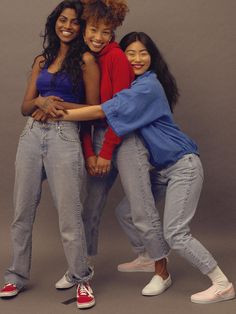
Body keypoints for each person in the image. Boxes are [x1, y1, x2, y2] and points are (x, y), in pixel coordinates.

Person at [54, 31, 235, 304]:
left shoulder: (147, 87)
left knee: (175, 233)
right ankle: (146, 256)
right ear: (122, 56)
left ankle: (222, 284)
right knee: (125, 212)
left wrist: (55, 111)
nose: (137, 59)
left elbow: (100, 111)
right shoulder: (136, 84)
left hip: (182, 166)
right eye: (131, 53)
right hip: (161, 170)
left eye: (144, 53)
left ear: (152, 57)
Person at [55, 0, 171, 291]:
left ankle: (162, 271)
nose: (99, 37)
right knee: (89, 208)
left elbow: (121, 113)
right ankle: (80, 268)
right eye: (93, 29)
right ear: (84, 29)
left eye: (106, 32)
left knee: (141, 206)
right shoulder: (82, 59)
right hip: (97, 138)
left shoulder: (118, 57)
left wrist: (105, 152)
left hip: (125, 136)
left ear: (114, 32)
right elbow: (86, 111)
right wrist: (90, 152)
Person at [0, 0, 100, 309]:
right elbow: (24, 107)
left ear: (81, 27)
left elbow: (95, 112)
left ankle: (82, 278)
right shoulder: (41, 60)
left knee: (69, 216)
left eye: (74, 22)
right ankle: (15, 275)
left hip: (64, 137)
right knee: (22, 212)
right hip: (32, 135)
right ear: (54, 22)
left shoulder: (85, 60)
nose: (67, 26)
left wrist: (58, 106)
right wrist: (40, 102)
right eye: (63, 20)